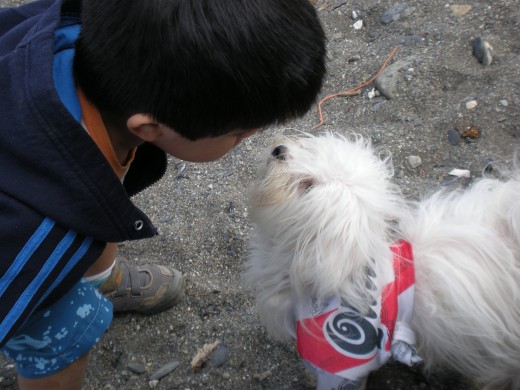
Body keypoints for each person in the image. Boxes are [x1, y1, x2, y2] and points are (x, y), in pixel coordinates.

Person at [0, 0, 326, 388]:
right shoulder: (35, 234)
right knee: (71, 321)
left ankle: (102, 277)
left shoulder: (73, 29)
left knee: (102, 200)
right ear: (149, 127)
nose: (251, 138)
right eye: (239, 133)